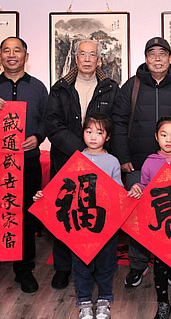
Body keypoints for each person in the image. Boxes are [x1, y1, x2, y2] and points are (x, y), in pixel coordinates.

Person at [0, 37, 48, 302]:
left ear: (26, 56)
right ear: (0, 56)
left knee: (24, 217)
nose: (12, 55)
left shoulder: (38, 87)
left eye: (17, 50)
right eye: (6, 50)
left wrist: (37, 137)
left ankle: (24, 270)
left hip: (27, 163)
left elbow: (47, 121)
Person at [112, 37, 171, 288]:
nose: (158, 58)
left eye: (162, 53)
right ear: (146, 58)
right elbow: (118, 121)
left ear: (170, 58)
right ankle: (138, 265)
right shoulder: (132, 85)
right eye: (152, 54)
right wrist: (124, 157)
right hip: (138, 163)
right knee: (140, 216)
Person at [33, 113, 121, 319]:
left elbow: (118, 192)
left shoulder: (112, 161)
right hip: (80, 224)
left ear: (108, 136)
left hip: (105, 225)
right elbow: (62, 189)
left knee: (106, 264)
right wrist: (44, 196)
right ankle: (84, 301)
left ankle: (104, 300)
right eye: (89, 131)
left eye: (99, 132)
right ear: (82, 134)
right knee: (81, 264)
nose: (93, 137)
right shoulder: (76, 160)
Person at [46, 39, 118, 290]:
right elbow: (52, 125)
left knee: (93, 214)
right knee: (65, 211)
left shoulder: (111, 88)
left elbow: (116, 124)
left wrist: (98, 153)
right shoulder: (60, 88)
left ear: (99, 59)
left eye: (92, 55)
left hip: (99, 164)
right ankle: (63, 267)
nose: (87, 59)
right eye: (83, 54)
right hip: (65, 160)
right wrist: (82, 151)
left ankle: (95, 266)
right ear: (75, 58)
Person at [128, 117, 171, 319]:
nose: (168, 140)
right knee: (160, 265)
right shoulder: (150, 162)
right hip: (160, 224)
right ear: (156, 137)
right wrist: (138, 187)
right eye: (164, 135)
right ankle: (163, 303)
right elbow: (144, 185)